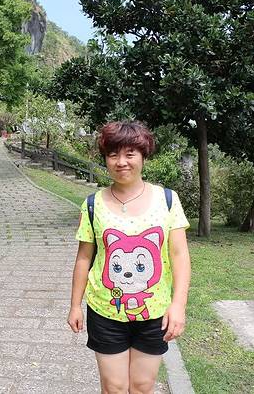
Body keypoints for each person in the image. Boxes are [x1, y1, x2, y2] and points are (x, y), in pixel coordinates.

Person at [68, 121, 191, 394]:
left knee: (142, 386)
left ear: (143, 156)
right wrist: (75, 305)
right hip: (105, 310)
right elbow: (84, 258)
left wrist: (178, 305)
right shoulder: (92, 204)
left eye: (130, 154)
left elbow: (180, 255)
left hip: (154, 312)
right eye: (113, 155)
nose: (121, 162)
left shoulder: (168, 200)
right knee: (114, 387)